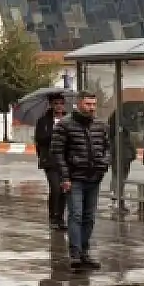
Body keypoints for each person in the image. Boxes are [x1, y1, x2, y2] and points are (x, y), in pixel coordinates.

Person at [49, 94, 111, 270]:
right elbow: (57, 153)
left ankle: (85, 252)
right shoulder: (64, 125)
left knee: (89, 217)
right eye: (88, 104)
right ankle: (75, 254)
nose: (92, 107)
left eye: (94, 104)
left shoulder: (100, 125)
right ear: (79, 104)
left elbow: (107, 147)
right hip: (74, 178)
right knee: (76, 214)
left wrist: (104, 163)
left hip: (94, 177)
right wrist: (65, 177)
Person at [34, 92, 68, 230]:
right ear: (51, 105)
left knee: (64, 189)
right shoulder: (43, 121)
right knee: (55, 189)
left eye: (61, 103)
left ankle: (60, 217)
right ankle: (53, 217)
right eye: (56, 103)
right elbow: (40, 139)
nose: (59, 106)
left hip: (66, 160)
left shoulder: (68, 119)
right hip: (50, 160)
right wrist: (54, 132)